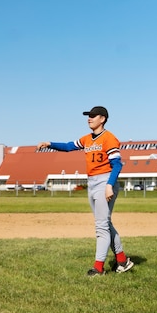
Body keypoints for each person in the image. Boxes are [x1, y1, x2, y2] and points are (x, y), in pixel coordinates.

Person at [37, 106, 134, 276]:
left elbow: (117, 164)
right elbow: (69, 146)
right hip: (92, 182)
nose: (89, 118)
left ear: (102, 119)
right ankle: (122, 261)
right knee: (105, 224)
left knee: (101, 227)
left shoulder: (109, 138)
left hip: (105, 181)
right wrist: (50, 144)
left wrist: (109, 185)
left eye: (93, 116)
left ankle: (98, 268)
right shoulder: (87, 139)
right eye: (88, 116)